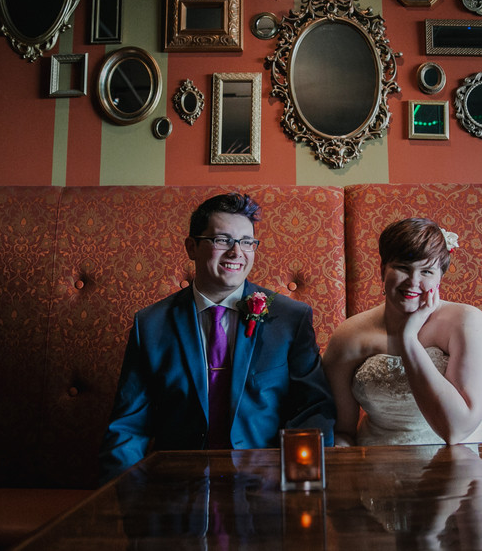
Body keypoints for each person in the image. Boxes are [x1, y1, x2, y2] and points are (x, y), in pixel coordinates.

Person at [99, 192, 336, 483]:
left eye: (247, 242)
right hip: (180, 488)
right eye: (222, 240)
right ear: (192, 247)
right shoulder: (150, 325)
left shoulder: (289, 319)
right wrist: (122, 497)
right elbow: (128, 427)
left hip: (265, 487)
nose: (237, 252)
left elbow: (313, 408)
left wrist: (300, 482)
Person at [323, 217, 482, 446]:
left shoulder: (468, 322)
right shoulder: (349, 335)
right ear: (383, 271)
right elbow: (342, 432)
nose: (413, 281)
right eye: (403, 268)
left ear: (440, 277)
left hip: (460, 457)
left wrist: (408, 339)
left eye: (427, 271)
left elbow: (456, 431)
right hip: (377, 460)